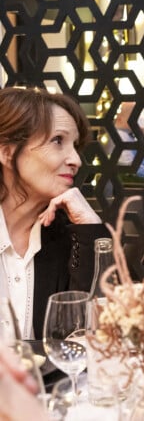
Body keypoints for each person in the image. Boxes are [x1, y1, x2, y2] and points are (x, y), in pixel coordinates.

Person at [0, 87, 110, 339]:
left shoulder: (68, 239)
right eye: (58, 140)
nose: (76, 160)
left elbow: (91, 338)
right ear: (7, 152)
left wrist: (91, 229)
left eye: (75, 145)